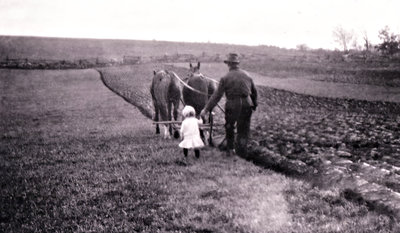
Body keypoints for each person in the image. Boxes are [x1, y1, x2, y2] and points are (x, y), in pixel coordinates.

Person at [200, 53, 257, 157]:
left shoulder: (225, 78)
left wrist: (205, 109)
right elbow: (254, 92)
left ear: (229, 64)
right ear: (237, 64)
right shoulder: (247, 75)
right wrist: (254, 105)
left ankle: (230, 150)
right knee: (243, 129)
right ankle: (242, 152)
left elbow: (216, 96)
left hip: (233, 104)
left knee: (229, 127)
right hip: (247, 104)